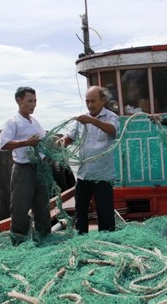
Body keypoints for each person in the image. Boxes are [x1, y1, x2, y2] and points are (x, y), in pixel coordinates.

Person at [58, 86, 119, 234]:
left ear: (103, 100)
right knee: (80, 210)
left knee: (105, 211)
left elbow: (113, 131)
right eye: (87, 101)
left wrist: (92, 121)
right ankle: (81, 239)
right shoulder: (81, 119)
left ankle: (107, 240)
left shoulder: (111, 117)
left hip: (102, 175)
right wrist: (61, 142)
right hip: (83, 174)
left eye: (93, 101)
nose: (90, 105)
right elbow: (69, 137)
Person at [0, 86, 51, 245]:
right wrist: (27, 143)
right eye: (30, 101)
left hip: (39, 169)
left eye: (35, 101)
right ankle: (18, 240)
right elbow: (3, 144)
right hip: (23, 170)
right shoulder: (13, 122)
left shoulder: (35, 122)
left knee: (43, 205)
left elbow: (45, 139)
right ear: (18, 101)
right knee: (20, 206)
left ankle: (44, 237)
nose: (33, 104)